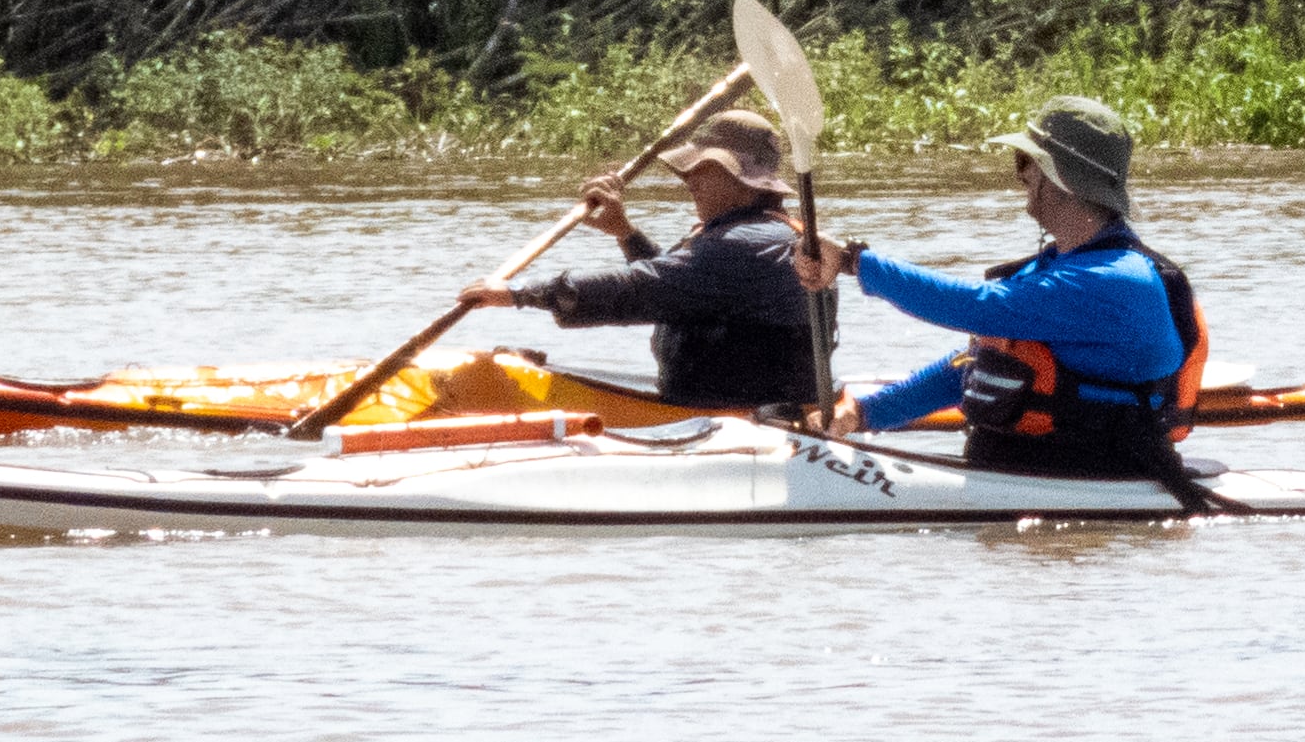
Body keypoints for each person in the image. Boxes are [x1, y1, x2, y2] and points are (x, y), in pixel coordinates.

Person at [792, 96, 1208, 480]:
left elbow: (975, 307)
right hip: (1027, 475)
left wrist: (852, 261)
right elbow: (979, 365)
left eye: (1025, 160)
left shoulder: (1115, 280)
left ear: (1053, 176)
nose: (1019, 174)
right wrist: (864, 414)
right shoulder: (1057, 267)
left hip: (1098, 479)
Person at [481, 109, 827, 409]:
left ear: (746, 182)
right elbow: (681, 294)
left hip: (746, 423)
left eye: (705, 167)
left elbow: (642, 289)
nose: (689, 178)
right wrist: (625, 233)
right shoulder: (755, 234)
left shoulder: (748, 245)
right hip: (714, 410)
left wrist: (521, 293)